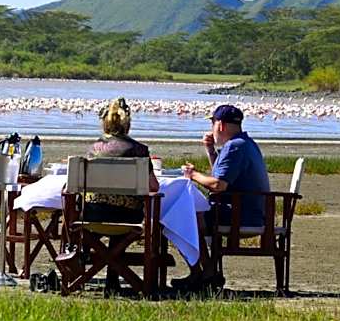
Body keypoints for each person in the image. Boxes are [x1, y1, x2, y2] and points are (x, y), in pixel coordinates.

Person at [177, 103, 270, 289]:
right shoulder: (245, 143)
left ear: (220, 125)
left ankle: (205, 271)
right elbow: (221, 176)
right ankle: (203, 272)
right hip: (249, 210)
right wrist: (211, 151)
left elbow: (218, 185)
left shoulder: (234, 147)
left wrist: (192, 175)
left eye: (212, 123)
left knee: (182, 218)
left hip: (240, 215)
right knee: (189, 215)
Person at [83, 97, 160, 223]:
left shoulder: (94, 149)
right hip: (128, 216)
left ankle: (104, 244)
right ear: (128, 124)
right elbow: (153, 186)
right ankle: (118, 244)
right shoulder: (139, 150)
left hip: (93, 214)